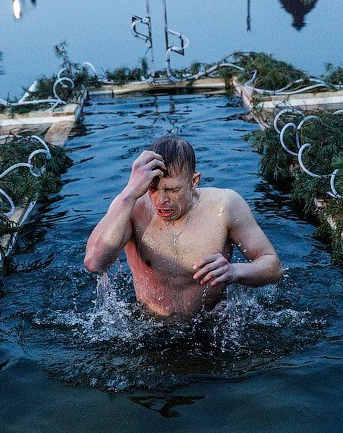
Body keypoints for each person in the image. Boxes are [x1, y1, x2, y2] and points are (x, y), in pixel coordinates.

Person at [84, 135, 282, 318]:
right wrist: (129, 192)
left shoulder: (224, 206)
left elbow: (273, 267)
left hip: (210, 323)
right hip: (148, 328)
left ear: (194, 181)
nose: (161, 200)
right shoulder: (130, 206)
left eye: (172, 190)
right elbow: (94, 263)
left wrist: (234, 271)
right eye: (152, 188)